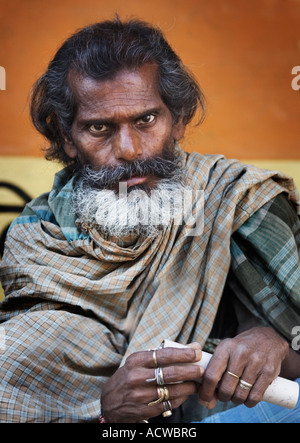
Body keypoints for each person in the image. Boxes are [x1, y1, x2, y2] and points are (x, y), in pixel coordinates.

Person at [0, 17, 299, 424]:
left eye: (146, 120)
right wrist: (105, 416)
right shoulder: (38, 233)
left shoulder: (237, 202)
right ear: (68, 138)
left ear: (177, 119)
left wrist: (277, 342)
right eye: (99, 127)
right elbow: (21, 375)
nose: (129, 150)